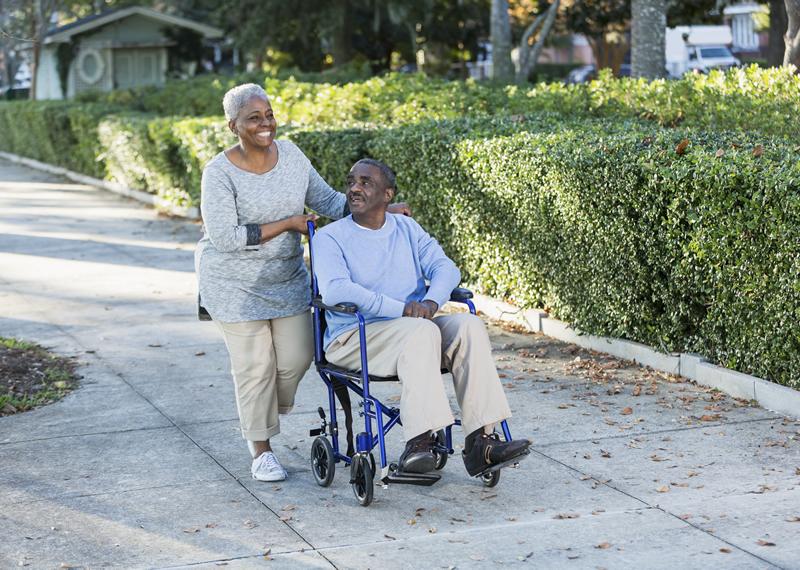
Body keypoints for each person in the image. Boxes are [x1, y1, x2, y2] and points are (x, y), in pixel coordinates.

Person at [195, 84, 410, 483]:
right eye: (254, 118)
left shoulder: (291, 155)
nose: (265, 124)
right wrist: (290, 224)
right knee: (255, 366)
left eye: (269, 114)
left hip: (286, 278)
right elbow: (225, 238)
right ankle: (261, 449)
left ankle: (257, 409)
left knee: (296, 359)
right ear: (233, 125)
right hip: (233, 285)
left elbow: (329, 202)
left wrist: (382, 206)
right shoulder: (219, 173)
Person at [313, 159, 530, 476]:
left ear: (388, 195)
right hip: (354, 338)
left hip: (413, 333)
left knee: (467, 325)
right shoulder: (329, 236)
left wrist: (430, 301)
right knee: (421, 331)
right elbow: (334, 291)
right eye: (351, 182)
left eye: (365, 182)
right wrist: (401, 308)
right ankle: (419, 441)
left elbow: (446, 269)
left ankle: (481, 443)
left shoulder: (406, 228)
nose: (354, 188)